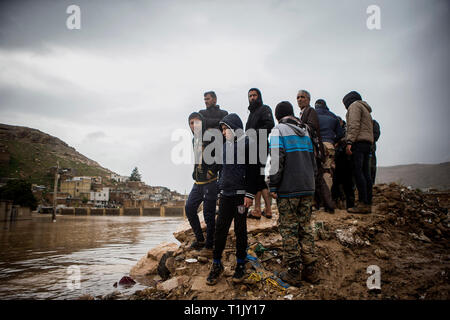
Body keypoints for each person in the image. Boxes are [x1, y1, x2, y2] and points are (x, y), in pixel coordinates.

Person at [267, 101, 317, 286]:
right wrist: (312, 184)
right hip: (307, 186)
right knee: (305, 228)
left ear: (277, 116)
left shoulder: (278, 130)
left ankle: (294, 272)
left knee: (289, 229)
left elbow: (276, 160)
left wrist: (273, 185)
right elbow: (314, 161)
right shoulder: (305, 130)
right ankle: (311, 270)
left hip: (289, 189)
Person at [206, 113, 259, 285]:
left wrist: (250, 194)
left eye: (225, 129)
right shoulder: (225, 146)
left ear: (234, 128)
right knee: (220, 230)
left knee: (240, 230)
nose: (223, 132)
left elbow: (254, 171)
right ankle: (216, 264)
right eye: (221, 129)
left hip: (240, 198)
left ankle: (241, 264)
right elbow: (219, 164)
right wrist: (211, 171)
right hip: (226, 195)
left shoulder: (248, 144)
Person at [184, 112, 220, 257]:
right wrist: (195, 171)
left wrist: (211, 172)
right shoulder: (194, 139)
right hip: (198, 182)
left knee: (208, 215)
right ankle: (199, 239)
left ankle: (209, 246)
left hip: (210, 183)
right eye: (191, 123)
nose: (194, 125)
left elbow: (219, 156)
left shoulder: (211, 136)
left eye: (196, 122)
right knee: (189, 208)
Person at [296, 90, 335, 213]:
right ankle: (322, 205)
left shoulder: (310, 111)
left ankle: (327, 205)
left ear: (308, 99)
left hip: (313, 150)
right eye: (298, 97)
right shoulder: (302, 113)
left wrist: (297, 127)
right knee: (316, 178)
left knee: (317, 178)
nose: (300, 99)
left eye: (302, 97)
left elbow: (311, 128)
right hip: (310, 150)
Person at [245, 88, 275, 219]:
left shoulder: (264, 109)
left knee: (258, 178)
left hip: (261, 146)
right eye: (250, 96)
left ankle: (262, 209)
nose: (252, 98)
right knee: (258, 178)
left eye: (254, 95)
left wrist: (253, 133)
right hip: (252, 148)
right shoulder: (252, 113)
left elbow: (270, 124)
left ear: (259, 96)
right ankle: (262, 210)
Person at [342, 91, 374, 214]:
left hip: (358, 143)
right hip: (367, 143)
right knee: (366, 173)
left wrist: (349, 142)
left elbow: (354, 125)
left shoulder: (354, 106)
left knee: (358, 172)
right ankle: (367, 202)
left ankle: (362, 203)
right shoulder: (366, 109)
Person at [314, 99, 344, 192]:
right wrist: (332, 140)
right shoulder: (333, 115)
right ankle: (327, 199)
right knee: (327, 171)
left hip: (315, 145)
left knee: (314, 171)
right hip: (329, 145)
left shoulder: (312, 114)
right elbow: (340, 134)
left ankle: (316, 202)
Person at [331, 118, 355, 210]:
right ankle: (338, 203)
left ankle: (349, 204)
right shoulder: (337, 131)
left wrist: (339, 142)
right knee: (337, 182)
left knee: (347, 183)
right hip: (340, 159)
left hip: (345, 159)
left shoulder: (345, 131)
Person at [370, 119, 381, 184]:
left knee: (372, 167)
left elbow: (376, 136)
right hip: (360, 149)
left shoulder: (373, 123)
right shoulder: (359, 122)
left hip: (371, 149)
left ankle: (372, 184)